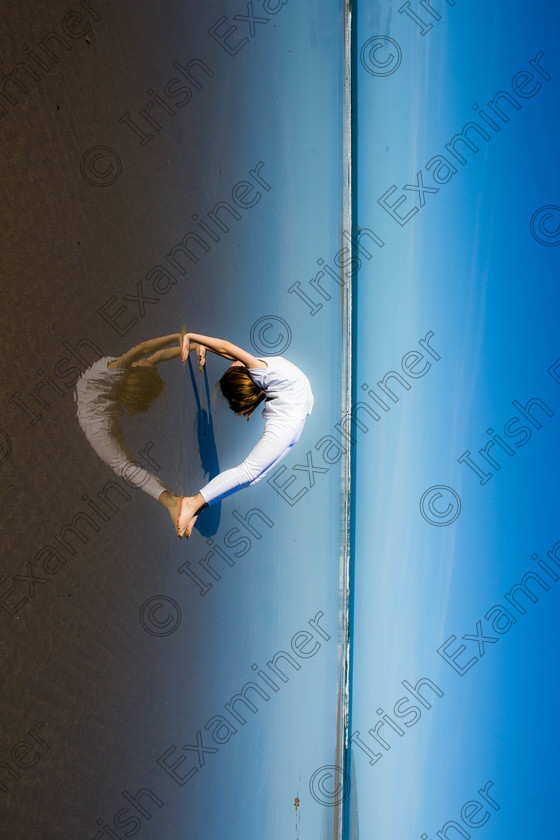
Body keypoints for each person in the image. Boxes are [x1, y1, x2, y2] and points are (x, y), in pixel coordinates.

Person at [176, 333, 314, 538]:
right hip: (295, 420)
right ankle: (196, 505)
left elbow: (225, 345)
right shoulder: (260, 369)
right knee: (250, 475)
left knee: (250, 475)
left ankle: (193, 504)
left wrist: (192, 336)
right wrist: (202, 345)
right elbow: (229, 353)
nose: (232, 363)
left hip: (289, 422)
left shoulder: (259, 370)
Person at [75, 331, 205, 528]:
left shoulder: (120, 369)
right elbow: (145, 351)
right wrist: (180, 336)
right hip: (96, 421)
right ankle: (173, 504)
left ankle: (175, 501)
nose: (147, 361)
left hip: (99, 411)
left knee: (126, 465)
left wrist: (190, 345)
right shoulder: (115, 371)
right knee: (125, 467)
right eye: (147, 364)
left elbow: (154, 354)